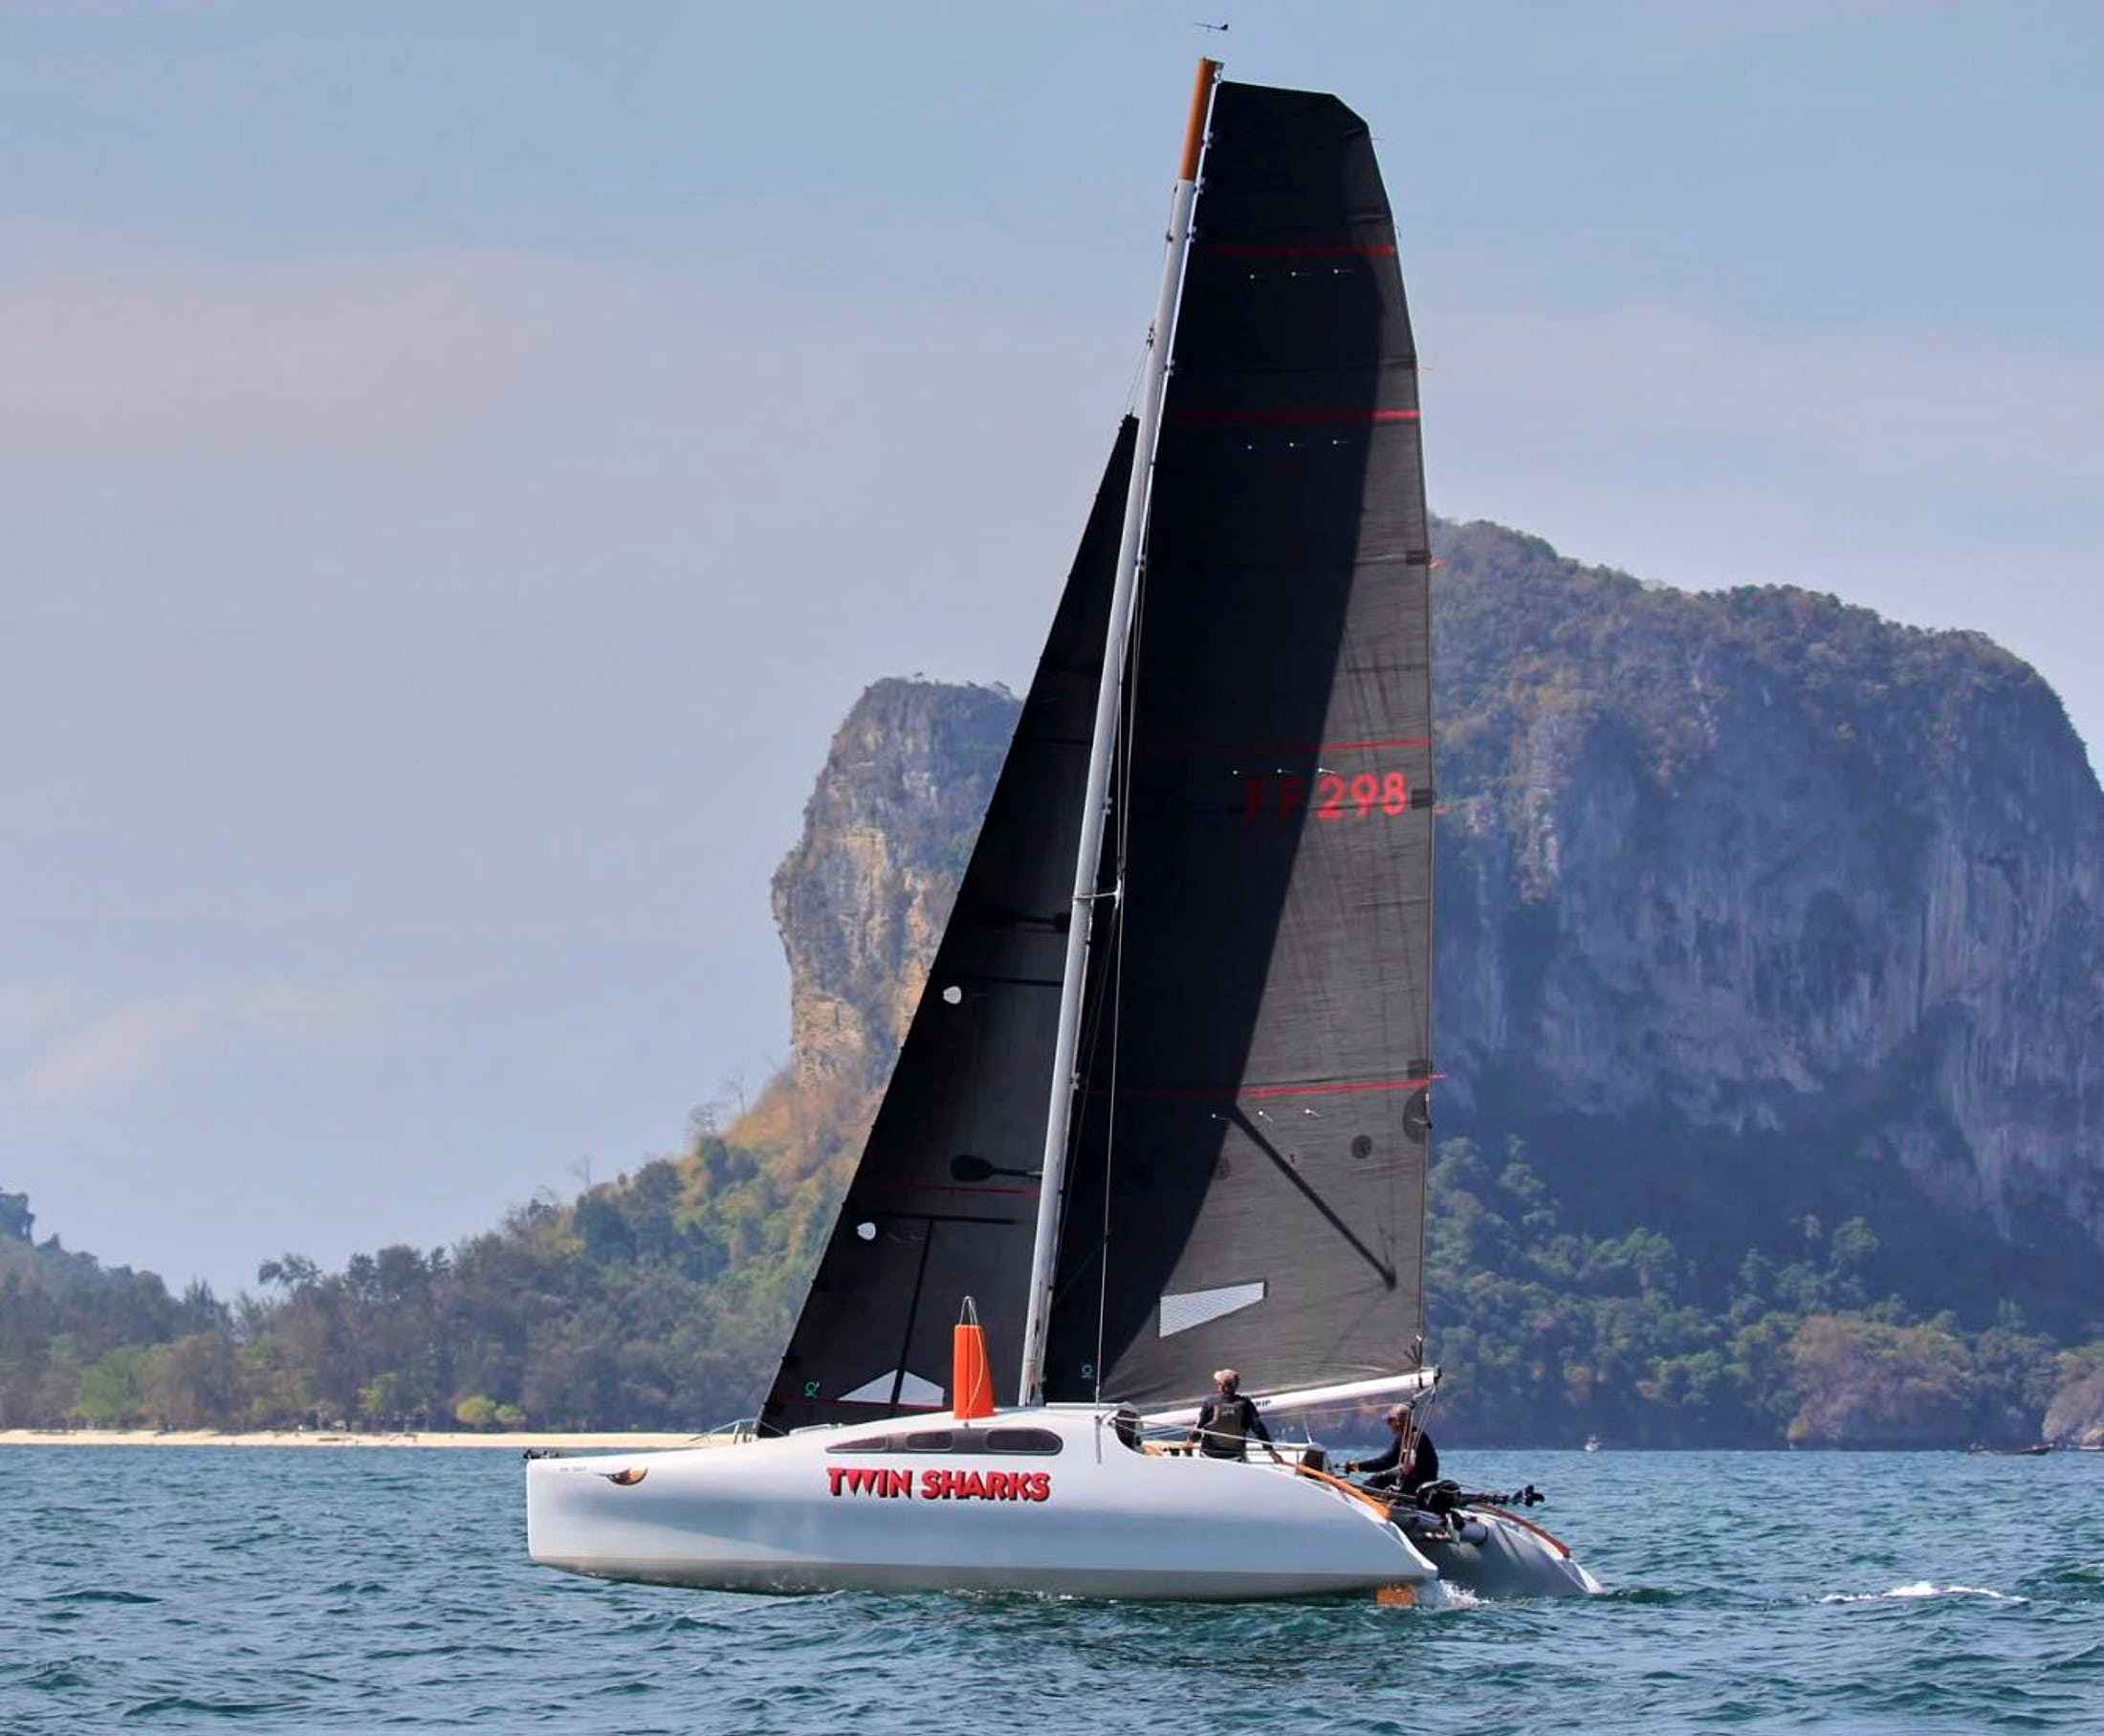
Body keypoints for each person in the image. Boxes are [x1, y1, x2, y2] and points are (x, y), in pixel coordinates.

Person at [1188, 1368, 1283, 1463]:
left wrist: (1189, 1443)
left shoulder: (1209, 1402)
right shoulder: (1246, 1404)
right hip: (1234, 1457)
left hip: (1209, 1455)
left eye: (1217, 1383)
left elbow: (1197, 1429)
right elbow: (1259, 1429)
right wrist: (1271, 1452)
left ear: (1222, 1386)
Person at [1344, 1404, 1438, 1494]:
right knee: (1375, 1480)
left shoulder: (1417, 1438)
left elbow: (1387, 1462)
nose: (1388, 1424)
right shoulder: (1402, 1437)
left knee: (1390, 1482)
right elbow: (1387, 1461)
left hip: (1420, 1483)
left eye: (1389, 1421)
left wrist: (1357, 1466)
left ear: (1398, 1421)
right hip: (1409, 1478)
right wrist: (1356, 1466)